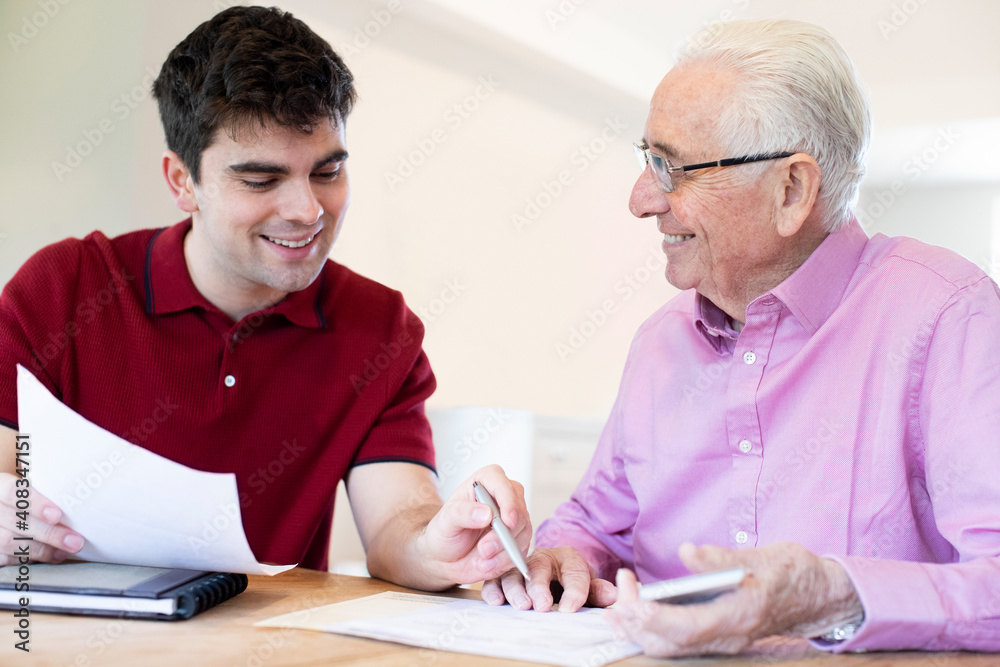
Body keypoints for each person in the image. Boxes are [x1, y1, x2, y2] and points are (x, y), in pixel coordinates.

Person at [483, 18, 1000, 656]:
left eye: (672, 169)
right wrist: (562, 560)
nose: (641, 199)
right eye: (647, 160)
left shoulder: (948, 314)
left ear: (792, 189)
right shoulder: (658, 343)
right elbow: (593, 528)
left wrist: (834, 596)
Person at [0, 6, 530, 591]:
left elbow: (396, 525)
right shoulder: (64, 288)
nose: (308, 211)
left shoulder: (381, 328)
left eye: (327, 171)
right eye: (261, 180)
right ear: (182, 182)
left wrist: (442, 546)